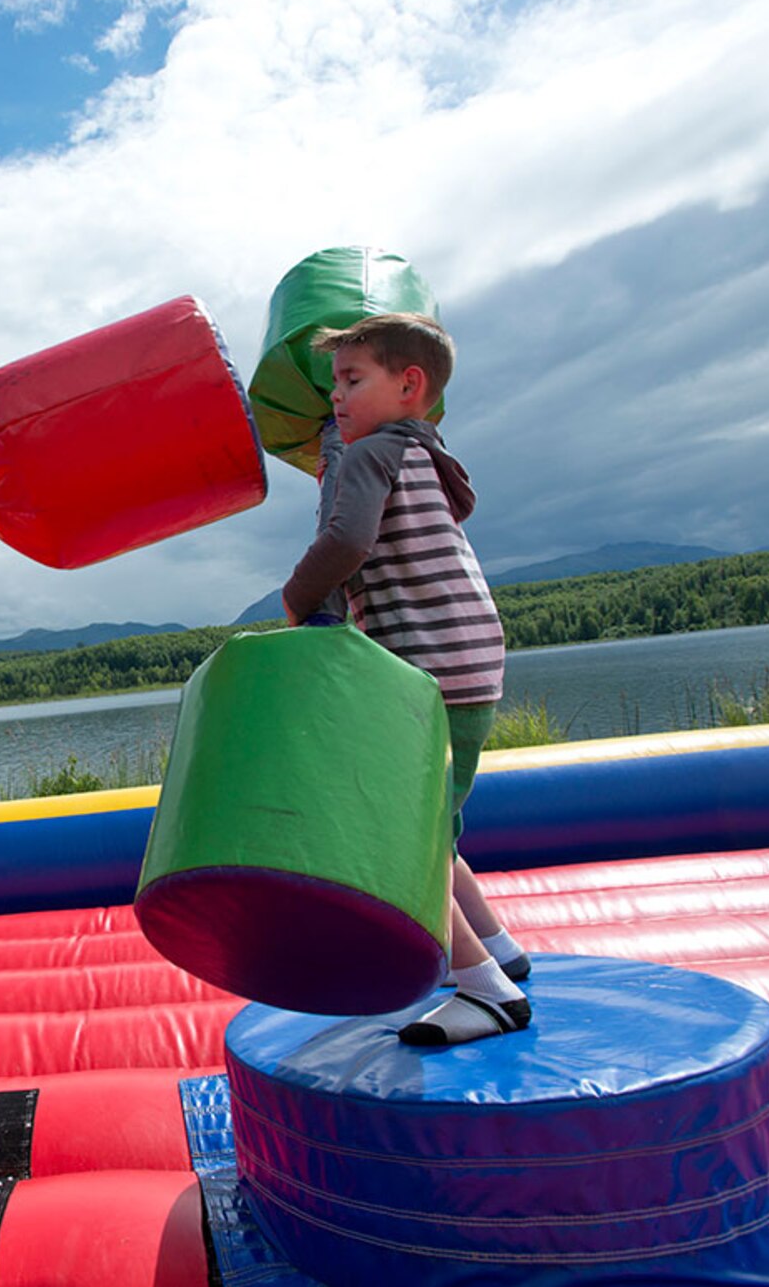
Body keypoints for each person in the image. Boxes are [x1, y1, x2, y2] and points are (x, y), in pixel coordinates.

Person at [279, 312, 532, 1047]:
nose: (337, 397)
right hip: (473, 664)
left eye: (353, 380)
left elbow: (345, 539)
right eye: (333, 385)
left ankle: (485, 989)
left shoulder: (367, 460)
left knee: (400, 838)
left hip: (423, 671)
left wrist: (298, 600)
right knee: (435, 824)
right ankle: (499, 943)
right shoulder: (424, 454)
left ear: (409, 384)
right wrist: (337, 447)